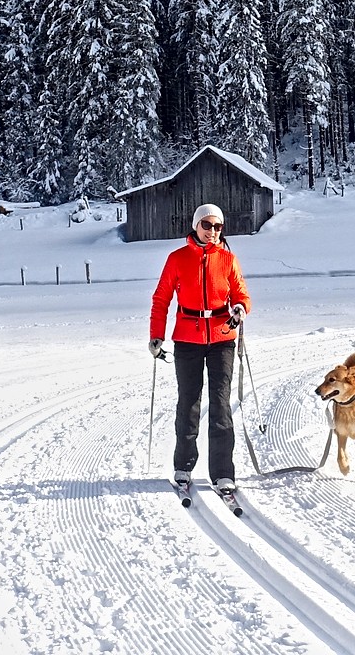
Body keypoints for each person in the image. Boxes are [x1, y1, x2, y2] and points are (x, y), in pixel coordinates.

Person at [149, 202, 250, 494]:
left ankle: (222, 473)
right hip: (187, 339)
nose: (213, 232)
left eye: (218, 227)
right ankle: (183, 466)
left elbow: (241, 293)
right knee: (188, 404)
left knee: (221, 406)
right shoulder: (177, 259)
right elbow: (161, 299)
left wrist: (240, 308)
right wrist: (156, 336)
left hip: (221, 339)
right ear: (196, 226)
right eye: (207, 225)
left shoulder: (228, 259)